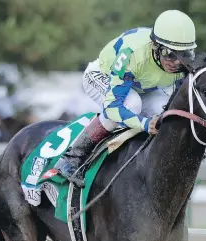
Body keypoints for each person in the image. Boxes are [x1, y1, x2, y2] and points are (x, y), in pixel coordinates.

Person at [55, 10, 197, 187]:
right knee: (131, 104)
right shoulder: (132, 53)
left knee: (162, 112)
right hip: (103, 75)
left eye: (184, 54)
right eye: (170, 53)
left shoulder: (182, 65)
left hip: (141, 86)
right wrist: (145, 124)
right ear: (155, 45)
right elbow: (113, 107)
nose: (176, 62)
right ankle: (72, 157)